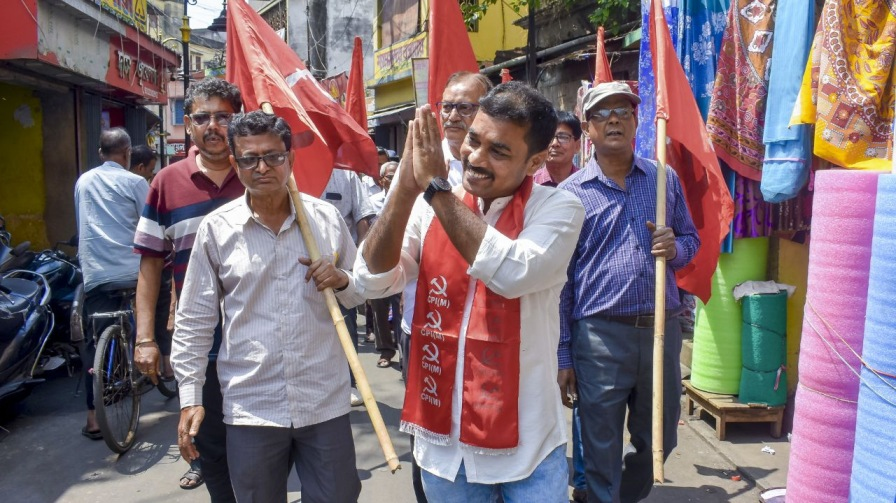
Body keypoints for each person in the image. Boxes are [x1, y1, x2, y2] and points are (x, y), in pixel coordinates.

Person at [355, 81, 585, 502]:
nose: (475, 159)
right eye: (473, 141)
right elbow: (372, 279)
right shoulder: (430, 203)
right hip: (446, 449)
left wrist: (437, 192)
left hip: (529, 451)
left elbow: (513, 272)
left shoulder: (558, 209)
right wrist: (406, 188)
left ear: (535, 161)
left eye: (498, 151)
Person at [171, 110, 364, 503]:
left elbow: (359, 292)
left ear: (291, 159)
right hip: (251, 405)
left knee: (338, 497)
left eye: (273, 156)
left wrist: (341, 279)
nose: (262, 167)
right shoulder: (217, 229)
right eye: (249, 159)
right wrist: (190, 396)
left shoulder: (324, 219)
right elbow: (194, 320)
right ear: (235, 163)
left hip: (323, 399)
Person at [558, 81, 700, 503]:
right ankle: (603, 497)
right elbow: (563, 283)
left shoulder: (663, 179)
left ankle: (627, 495)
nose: (614, 119)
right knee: (599, 443)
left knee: (660, 434)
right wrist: (564, 353)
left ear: (637, 120)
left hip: (661, 330)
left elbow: (691, 241)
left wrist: (675, 247)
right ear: (588, 128)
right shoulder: (572, 195)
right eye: (602, 113)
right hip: (599, 337)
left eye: (623, 110)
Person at [133, 78, 244, 499]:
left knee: (260, 443)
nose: (213, 126)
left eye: (223, 116)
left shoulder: (262, 172)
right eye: (202, 117)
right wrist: (146, 338)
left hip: (261, 338)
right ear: (188, 124)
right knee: (209, 442)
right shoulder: (166, 182)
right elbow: (150, 266)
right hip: (200, 341)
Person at [388, 70, 493, 503]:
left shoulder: (501, 170)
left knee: (483, 434)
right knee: (427, 434)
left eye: (464, 107)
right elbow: (396, 246)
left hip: (489, 334)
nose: (451, 115)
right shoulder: (415, 164)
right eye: (446, 105)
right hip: (425, 327)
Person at [74, 128, 149, 440]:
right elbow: (150, 224)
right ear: (127, 152)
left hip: (95, 272)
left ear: (100, 152)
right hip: (131, 271)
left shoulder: (83, 181)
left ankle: (93, 418)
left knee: (93, 341)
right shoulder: (135, 182)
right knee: (151, 305)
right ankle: (150, 356)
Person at [530, 110, 586, 503]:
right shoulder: (528, 189)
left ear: (578, 143)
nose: (556, 144)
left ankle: (580, 478)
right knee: (541, 393)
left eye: (564, 136)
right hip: (540, 299)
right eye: (550, 137)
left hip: (582, 301)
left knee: (582, 399)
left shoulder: (588, 187)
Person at [321, 168, 376, 406]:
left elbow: (364, 218)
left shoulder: (346, 176)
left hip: (340, 266)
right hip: (298, 265)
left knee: (346, 322)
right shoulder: (290, 170)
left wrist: (360, 264)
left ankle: (350, 383)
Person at [367, 161, 401, 368]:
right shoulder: (371, 202)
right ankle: (386, 351)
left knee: (401, 309)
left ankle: (405, 353)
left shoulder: (411, 201)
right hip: (378, 264)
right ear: (382, 180)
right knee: (379, 307)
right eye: (389, 176)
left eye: (397, 175)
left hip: (402, 262)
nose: (394, 179)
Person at [533, 111, 582, 187]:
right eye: (548, 137)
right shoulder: (530, 185)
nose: (554, 143)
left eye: (563, 137)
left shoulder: (587, 184)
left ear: (577, 146)